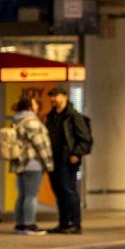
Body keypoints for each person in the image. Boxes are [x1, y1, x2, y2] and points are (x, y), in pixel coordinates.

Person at [0, 95, 53, 235]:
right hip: (33, 163)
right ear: (30, 107)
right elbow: (40, 144)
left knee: (22, 195)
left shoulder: (17, 120)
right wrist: (48, 163)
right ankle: (29, 224)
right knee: (31, 195)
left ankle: (20, 224)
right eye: (35, 104)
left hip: (20, 163)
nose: (37, 106)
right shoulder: (32, 122)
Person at [43, 87, 92, 235]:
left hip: (68, 159)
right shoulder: (51, 116)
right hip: (54, 159)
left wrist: (76, 153)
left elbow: (85, 138)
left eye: (56, 95)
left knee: (69, 190)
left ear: (64, 97)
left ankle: (75, 223)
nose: (53, 99)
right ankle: (64, 223)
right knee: (58, 191)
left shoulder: (73, 116)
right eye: (51, 96)